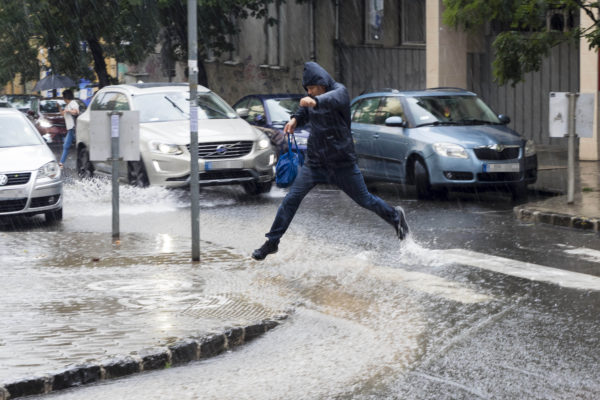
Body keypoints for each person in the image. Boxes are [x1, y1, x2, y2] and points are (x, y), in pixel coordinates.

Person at [252, 62, 409, 261]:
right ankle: (272, 242)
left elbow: (331, 99)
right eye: (307, 90)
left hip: (342, 164)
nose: (309, 93)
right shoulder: (313, 98)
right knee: (291, 200)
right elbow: (304, 111)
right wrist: (294, 120)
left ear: (322, 84)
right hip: (315, 163)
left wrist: (314, 102)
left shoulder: (339, 92)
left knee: (365, 200)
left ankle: (396, 218)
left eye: (312, 89)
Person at [58, 89, 80, 168]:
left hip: (73, 129)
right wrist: (59, 108)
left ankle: (61, 163)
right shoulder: (68, 105)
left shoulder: (73, 103)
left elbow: (76, 112)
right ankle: (61, 163)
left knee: (67, 145)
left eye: (63, 97)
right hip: (71, 129)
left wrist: (68, 110)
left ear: (66, 97)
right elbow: (63, 113)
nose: (62, 99)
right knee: (66, 145)